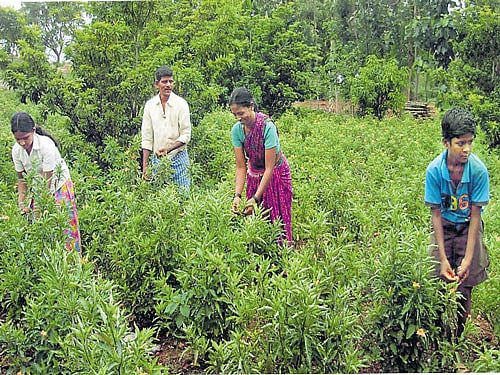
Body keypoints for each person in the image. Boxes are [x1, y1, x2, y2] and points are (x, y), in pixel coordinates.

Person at [424, 107, 490, 340]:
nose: (467, 149)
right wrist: (443, 259)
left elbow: (475, 217)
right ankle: (439, 333)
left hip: (467, 228)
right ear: (446, 143)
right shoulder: (434, 171)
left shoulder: (479, 171)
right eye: (460, 143)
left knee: (464, 284)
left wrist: (468, 259)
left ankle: (458, 337)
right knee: (439, 277)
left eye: (470, 142)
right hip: (445, 227)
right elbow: (436, 216)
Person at [229, 87, 293, 246]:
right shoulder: (237, 131)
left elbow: (269, 168)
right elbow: (240, 166)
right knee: (258, 224)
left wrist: (255, 198)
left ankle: (283, 262)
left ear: (251, 106)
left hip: (276, 174)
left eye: (241, 113)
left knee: (278, 221)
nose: (238, 118)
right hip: (255, 174)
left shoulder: (267, 127)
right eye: (235, 115)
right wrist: (237, 195)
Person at [11, 112, 81, 252]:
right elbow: (22, 180)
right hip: (39, 188)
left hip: (57, 185)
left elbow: (48, 180)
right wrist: (22, 203)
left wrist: (39, 208)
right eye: (18, 139)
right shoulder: (17, 151)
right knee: (39, 229)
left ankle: (73, 264)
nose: (22, 143)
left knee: (64, 226)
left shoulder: (46, 146)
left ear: (33, 131)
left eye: (25, 138)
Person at [141, 65, 192, 191]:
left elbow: (186, 135)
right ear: (156, 84)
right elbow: (147, 138)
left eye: (170, 81)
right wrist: (146, 167)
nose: (168, 85)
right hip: (158, 161)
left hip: (179, 157)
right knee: (160, 198)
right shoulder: (150, 106)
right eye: (164, 82)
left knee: (182, 197)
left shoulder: (181, 104)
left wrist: (168, 149)